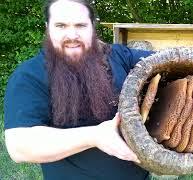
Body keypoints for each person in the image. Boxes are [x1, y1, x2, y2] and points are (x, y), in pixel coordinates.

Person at [4, 0, 153, 179]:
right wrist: (94, 136)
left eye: (80, 25)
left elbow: (168, 63)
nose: (72, 35)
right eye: (61, 25)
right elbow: (20, 146)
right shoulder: (30, 75)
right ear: (47, 27)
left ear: (92, 27)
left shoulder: (119, 56)